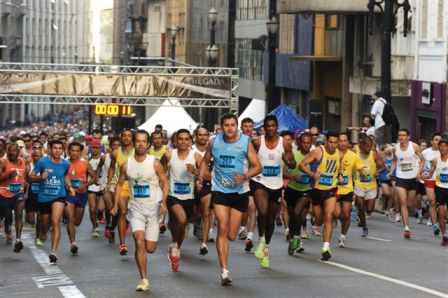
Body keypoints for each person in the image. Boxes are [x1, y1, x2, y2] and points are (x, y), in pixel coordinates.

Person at [197, 114, 261, 285]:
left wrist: (245, 176)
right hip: (220, 191)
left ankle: (226, 261)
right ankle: (224, 270)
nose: (229, 128)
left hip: (239, 192)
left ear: (237, 126)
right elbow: (205, 161)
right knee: (222, 228)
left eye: (233, 125)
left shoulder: (245, 142)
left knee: (232, 235)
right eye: (226, 125)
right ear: (222, 126)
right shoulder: (214, 142)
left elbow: (258, 166)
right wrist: (201, 177)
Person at [111, 130, 169, 292]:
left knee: (150, 248)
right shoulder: (126, 165)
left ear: (148, 144)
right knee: (138, 241)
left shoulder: (155, 163)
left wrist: (164, 202)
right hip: (135, 208)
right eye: (138, 141)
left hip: (153, 208)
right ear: (134, 143)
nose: (141, 144)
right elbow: (118, 184)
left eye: (144, 141)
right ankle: (144, 278)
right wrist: (115, 204)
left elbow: (165, 182)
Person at [251, 115, 296, 269]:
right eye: (268, 126)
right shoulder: (257, 142)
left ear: (277, 127)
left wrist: (288, 160)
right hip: (259, 181)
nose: (271, 128)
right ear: (264, 127)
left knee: (270, 219)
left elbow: (293, 162)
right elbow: (247, 156)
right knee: (262, 211)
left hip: (276, 185)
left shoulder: (285, 144)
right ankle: (260, 240)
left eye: (273, 126)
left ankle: (266, 248)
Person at [161, 129, 202, 271]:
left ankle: (175, 246)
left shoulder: (195, 155)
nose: (183, 142)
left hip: (189, 197)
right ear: (176, 141)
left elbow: (207, 174)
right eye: (181, 139)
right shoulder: (169, 154)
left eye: (186, 139)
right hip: (173, 195)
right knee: (182, 220)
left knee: (180, 225)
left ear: (190, 141)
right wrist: (162, 181)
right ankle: (175, 248)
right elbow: (160, 168)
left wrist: (196, 172)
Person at [299, 131, 341, 261]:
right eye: (331, 142)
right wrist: (312, 175)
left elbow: (338, 168)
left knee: (329, 215)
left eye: (335, 142)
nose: (333, 145)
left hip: (331, 189)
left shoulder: (340, 153)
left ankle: (326, 247)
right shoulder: (318, 151)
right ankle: (313, 219)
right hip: (317, 190)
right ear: (326, 141)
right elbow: (301, 165)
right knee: (319, 219)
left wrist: (339, 174)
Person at [29, 140, 71, 263]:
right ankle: (43, 232)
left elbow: (66, 175)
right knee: (45, 224)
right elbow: (30, 176)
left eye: (60, 148)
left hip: (59, 196)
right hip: (44, 197)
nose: (57, 150)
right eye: (55, 148)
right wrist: (40, 177)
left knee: (55, 221)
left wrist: (70, 186)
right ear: (50, 149)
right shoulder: (42, 161)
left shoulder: (66, 164)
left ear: (62, 150)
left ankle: (53, 251)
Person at [388, 129, 424, 239]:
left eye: (404, 135)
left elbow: (422, 160)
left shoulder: (414, 147)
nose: (401, 137)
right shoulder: (395, 148)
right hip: (401, 178)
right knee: (403, 202)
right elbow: (395, 160)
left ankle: (402, 215)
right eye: (400, 135)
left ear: (408, 136)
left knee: (409, 204)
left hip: (413, 178)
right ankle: (406, 228)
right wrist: (390, 172)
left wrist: (419, 172)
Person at [107, 129, 135, 255]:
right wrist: (108, 183)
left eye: (129, 136)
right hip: (120, 185)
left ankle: (122, 225)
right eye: (124, 135)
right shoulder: (115, 153)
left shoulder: (138, 151)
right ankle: (122, 243)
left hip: (135, 185)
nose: (126, 138)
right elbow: (112, 167)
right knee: (122, 211)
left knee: (129, 212)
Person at [283, 132, 312, 255]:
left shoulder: (314, 157)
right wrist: (292, 176)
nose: (306, 145)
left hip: (306, 190)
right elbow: (283, 173)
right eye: (304, 142)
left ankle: (296, 238)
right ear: (299, 143)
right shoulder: (294, 155)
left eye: (308, 143)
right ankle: (293, 237)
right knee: (292, 217)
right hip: (292, 189)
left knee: (298, 213)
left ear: (311, 143)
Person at [65, 142, 96, 254]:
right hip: (69, 194)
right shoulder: (65, 163)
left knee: (76, 222)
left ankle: (73, 233)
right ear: (69, 151)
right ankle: (73, 243)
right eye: (72, 150)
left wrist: (85, 185)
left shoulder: (85, 164)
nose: (74, 153)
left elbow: (94, 178)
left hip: (81, 194)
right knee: (70, 218)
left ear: (80, 152)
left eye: (77, 151)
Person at [354, 135, 385, 237]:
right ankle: (364, 227)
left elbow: (383, 167)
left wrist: (378, 172)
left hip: (371, 185)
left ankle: (359, 214)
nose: (369, 148)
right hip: (359, 184)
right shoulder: (356, 154)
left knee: (369, 209)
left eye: (370, 146)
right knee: (361, 206)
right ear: (362, 145)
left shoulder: (374, 155)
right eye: (367, 146)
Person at [192, 127, 215, 254]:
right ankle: (195, 221)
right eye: (200, 135)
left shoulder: (213, 150)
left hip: (207, 184)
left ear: (208, 136)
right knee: (194, 213)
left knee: (207, 211)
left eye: (205, 135)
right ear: (195, 136)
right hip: (191, 185)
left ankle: (204, 243)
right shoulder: (191, 150)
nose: (202, 137)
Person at [0, 143, 27, 252]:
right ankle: (7, 226)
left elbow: (26, 176)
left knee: (19, 214)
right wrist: (8, 175)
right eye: (10, 150)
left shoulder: (23, 162)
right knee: (8, 217)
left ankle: (18, 240)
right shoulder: (3, 162)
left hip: (18, 194)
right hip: (3, 194)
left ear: (18, 152)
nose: (12, 153)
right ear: (7, 151)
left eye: (14, 150)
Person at [334, 132, 358, 247]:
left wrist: (363, 172)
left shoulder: (353, 155)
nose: (343, 143)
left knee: (346, 214)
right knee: (338, 213)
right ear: (337, 142)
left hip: (347, 189)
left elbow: (359, 167)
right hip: (334, 189)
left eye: (345, 141)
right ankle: (333, 217)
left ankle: (342, 237)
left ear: (348, 142)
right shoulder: (332, 154)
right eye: (341, 141)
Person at [238, 118, 257, 251]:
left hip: (254, 179)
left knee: (251, 206)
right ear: (241, 127)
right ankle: (241, 227)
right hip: (239, 178)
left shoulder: (257, 142)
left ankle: (249, 237)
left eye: (250, 126)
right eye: (245, 126)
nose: (248, 128)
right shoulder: (237, 140)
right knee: (241, 208)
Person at [420, 133, 442, 234]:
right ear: (432, 141)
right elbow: (420, 164)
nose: (438, 142)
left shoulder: (445, 152)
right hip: (429, 180)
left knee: (441, 205)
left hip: (442, 181)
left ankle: (435, 218)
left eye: (440, 140)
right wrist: (420, 174)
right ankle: (435, 225)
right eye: (436, 139)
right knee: (432, 202)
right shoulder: (425, 152)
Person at [101, 138, 122, 243]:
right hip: (107, 184)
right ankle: (108, 224)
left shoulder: (124, 157)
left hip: (119, 185)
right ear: (110, 146)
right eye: (114, 145)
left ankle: (112, 229)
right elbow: (98, 168)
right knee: (109, 207)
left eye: (118, 145)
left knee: (116, 210)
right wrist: (96, 179)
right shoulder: (105, 157)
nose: (116, 147)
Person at [26, 140, 45, 246]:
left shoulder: (45, 163)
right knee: (31, 219)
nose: (37, 157)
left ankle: (38, 237)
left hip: (41, 195)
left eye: (39, 148)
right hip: (31, 195)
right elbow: (24, 178)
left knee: (40, 218)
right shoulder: (28, 165)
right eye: (35, 155)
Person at [87, 140, 105, 238]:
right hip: (91, 185)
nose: (94, 149)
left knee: (100, 208)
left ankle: (102, 216)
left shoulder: (104, 157)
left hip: (102, 184)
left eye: (96, 147)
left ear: (100, 148)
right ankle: (95, 227)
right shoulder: (88, 158)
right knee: (92, 208)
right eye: (93, 147)